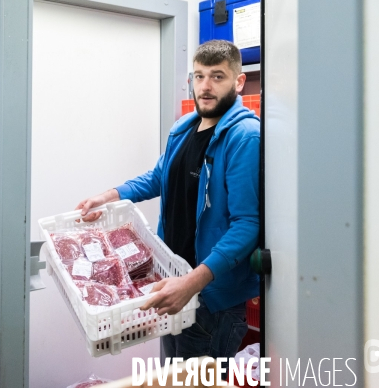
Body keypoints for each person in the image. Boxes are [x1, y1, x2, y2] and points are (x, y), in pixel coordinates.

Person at [75, 40, 260, 359]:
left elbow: (247, 225)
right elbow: (160, 176)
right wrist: (110, 196)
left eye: (217, 77)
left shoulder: (244, 137)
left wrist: (193, 282)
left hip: (211, 301)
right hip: (173, 286)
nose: (205, 86)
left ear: (238, 81)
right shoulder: (184, 128)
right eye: (199, 76)